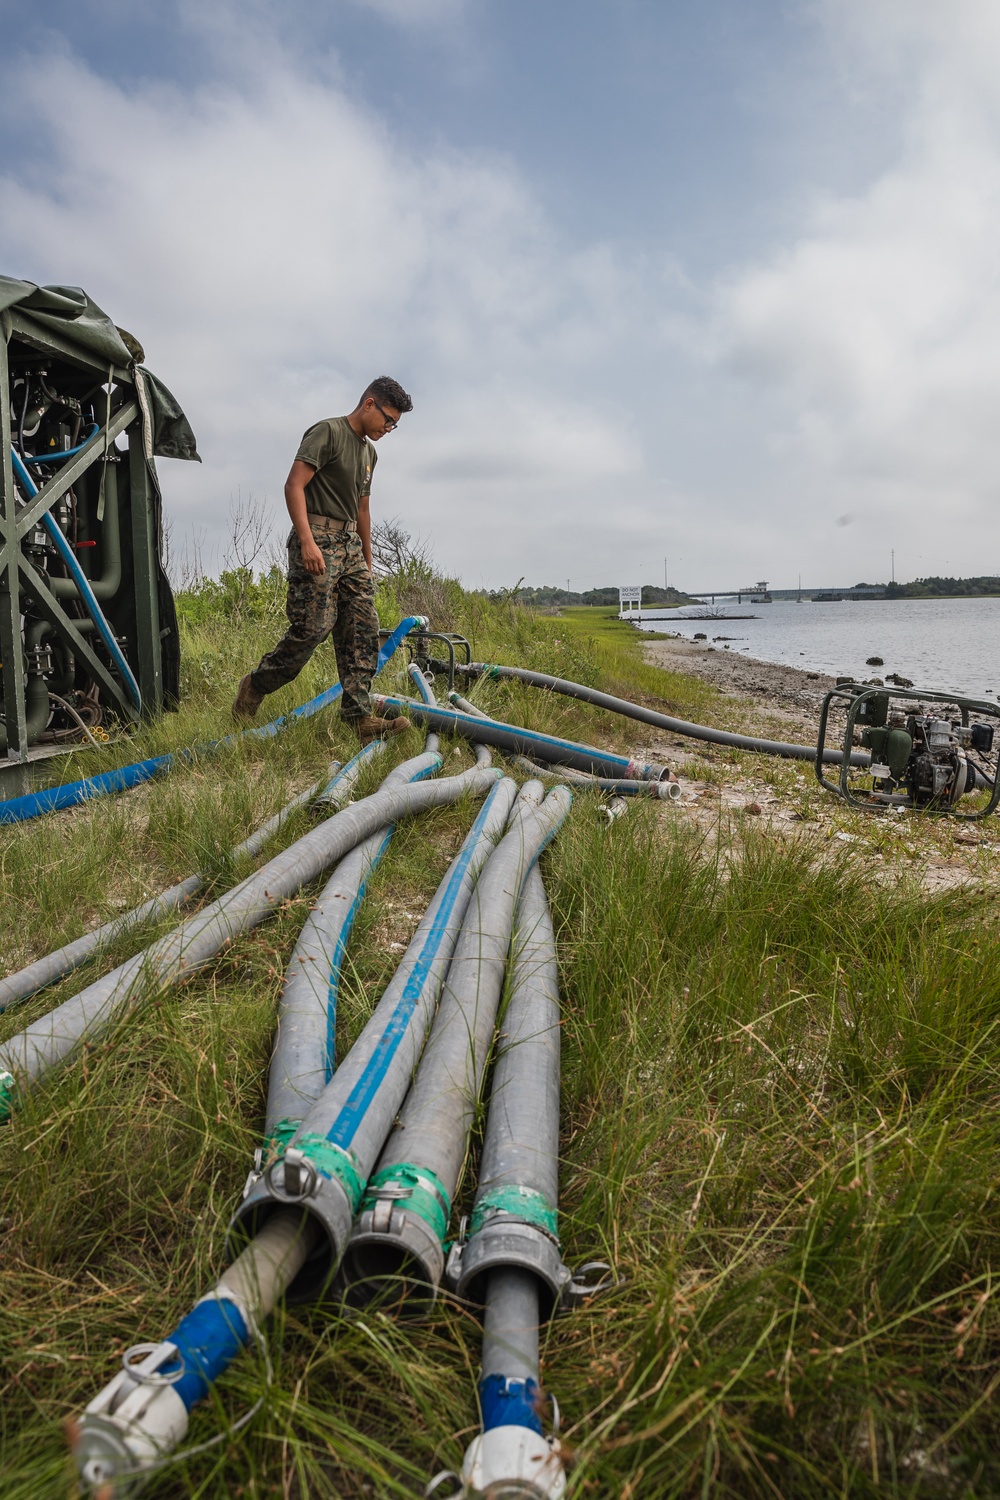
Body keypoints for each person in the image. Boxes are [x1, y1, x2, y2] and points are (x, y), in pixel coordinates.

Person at [232, 377, 413, 743]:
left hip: (349, 546)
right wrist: (307, 540)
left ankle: (360, 718)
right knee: (312, 629)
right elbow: (293, 485)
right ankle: (254, 686)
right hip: (317, 538)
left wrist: (367, 558)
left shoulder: (369, 454)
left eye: (395, 424)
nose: (389, 428)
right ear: (369, 404)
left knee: (362, 629)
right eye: (388, 420)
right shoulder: (327, 433)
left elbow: (363, 508)